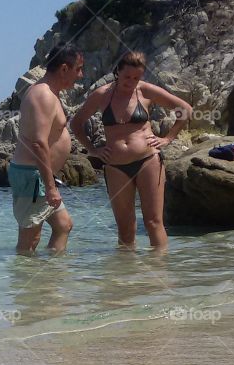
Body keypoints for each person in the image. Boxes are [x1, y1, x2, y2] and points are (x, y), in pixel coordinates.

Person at [70, 50, 192, 251]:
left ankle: (160, 275)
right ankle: (126, 280)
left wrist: (167, 138)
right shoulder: (101, 95)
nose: (131, 81)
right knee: (125, 229)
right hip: (115, 166)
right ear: (118, 71)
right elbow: (76, 123)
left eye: (136, 77)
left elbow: (184, 109)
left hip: (148, 160)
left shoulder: (145, 91)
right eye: (127, 76)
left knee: (153, 222)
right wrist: (93, 150)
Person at [9, 44, 84, 254]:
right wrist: (51, 187)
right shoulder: (43, 95)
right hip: (33, 178)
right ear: (63, 69)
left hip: (39, 176)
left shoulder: (50, 92)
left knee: (63, 226)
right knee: (29, 241)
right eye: (78, 69)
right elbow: (38, 143)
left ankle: (50, 279)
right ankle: (27, 284)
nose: (81, 74)